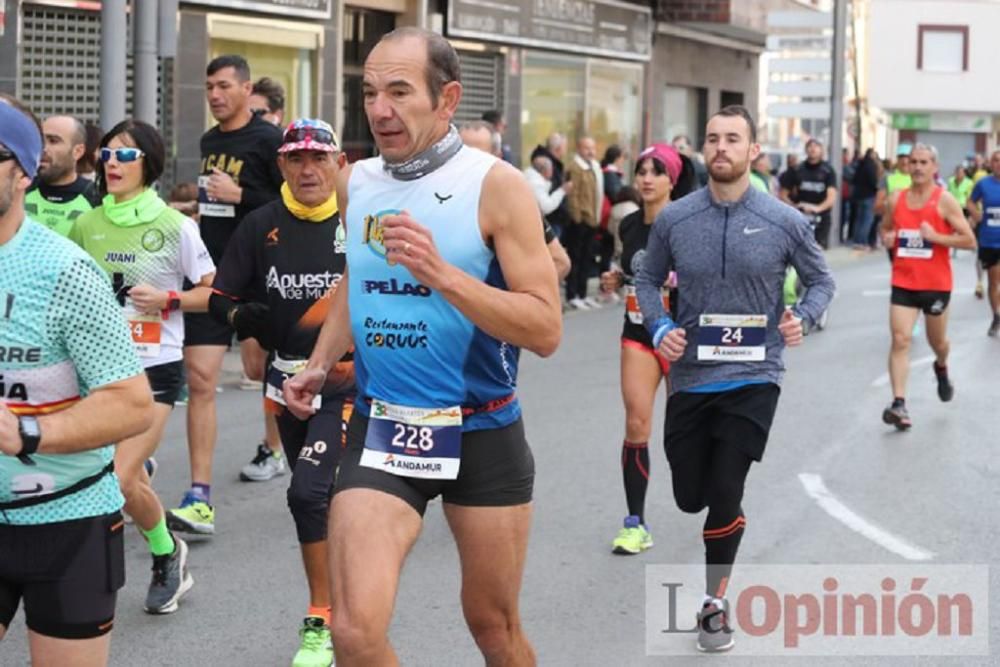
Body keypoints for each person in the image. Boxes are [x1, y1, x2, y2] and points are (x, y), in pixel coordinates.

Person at [283, 26, 561, 666]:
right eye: (370, 92)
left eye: (400, 92)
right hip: (383, 427)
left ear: (447, 98)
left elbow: (546, 328)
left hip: (481, 430)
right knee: (353, 633)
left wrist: (444, 276)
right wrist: (320, 364)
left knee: (494, 628)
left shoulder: (497, 186)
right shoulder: (356, 184)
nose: (380, 110)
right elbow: (360, 279)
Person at [635, 105, 835, 652]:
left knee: (726, 489)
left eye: (733, 139)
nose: (721, 148)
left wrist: (804, 318)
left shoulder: (784, 221)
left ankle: (714, 605)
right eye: (712, 139)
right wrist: (659, 328)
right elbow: (648, 279)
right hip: (692, 378)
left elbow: (821, 282)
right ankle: (710, 523)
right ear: (704, 150)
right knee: (689, 496)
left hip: (755, 377)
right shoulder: (676, 219)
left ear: (753, 152)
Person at [0, 95, 153, 667]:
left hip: (67, 518)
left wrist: (28, 435)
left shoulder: (62, 271)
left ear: (23, 171)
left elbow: (131, 404)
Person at [209, 119, 353, 667]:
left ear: (338, 163)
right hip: (286, 384)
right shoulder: (260, 225)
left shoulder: (357, 222)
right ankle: (345, 598)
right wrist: (243, 318)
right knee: (318, 500)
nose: (308, 168)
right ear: (283, 165)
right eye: (296, 159)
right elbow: (220, 296)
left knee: (308, 494)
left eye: (319, 158)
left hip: (351, 381)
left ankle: (321, 615)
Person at [71, 119, 216, 615]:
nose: (113, 163)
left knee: (114, 477)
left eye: (126, 156)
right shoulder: (87, 224)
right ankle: (168, 551)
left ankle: (87, 582)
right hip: (98, 371)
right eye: (108, 154)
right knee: (126, 482)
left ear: (149, 165)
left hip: (155, 369)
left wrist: (169, 298)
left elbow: (212, 294)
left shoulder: (176, 226)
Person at [170, 54, 284, 533]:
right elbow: (217, 200)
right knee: (199, 380)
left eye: (222, 86)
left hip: (258, 272)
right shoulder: (210, 140)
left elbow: (293, 202)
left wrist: (242, 197)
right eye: (208, 87)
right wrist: (195, 206)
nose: (214, 95)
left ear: (245, 88)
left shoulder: (270, 140)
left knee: (261, 369)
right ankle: (200, 495)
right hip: (213, 274)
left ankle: (277, 447)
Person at [599, 143, 694, 555]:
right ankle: (635, 523)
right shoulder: (630, 225)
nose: (646, 178)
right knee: (637, 425)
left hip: (681, 337)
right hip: (638, 332)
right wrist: (614, 280)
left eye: (656, 171)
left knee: (690, 429)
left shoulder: (689, 225)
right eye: (641, 171)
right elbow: (632, 272)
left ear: (672, 180)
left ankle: (714, 503)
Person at [878, 144, 976, 430]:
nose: (918, 167)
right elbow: (885, 228)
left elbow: (969, 240)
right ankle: (899, 404)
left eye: (924, 162)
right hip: (904, 282)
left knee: (939, 343)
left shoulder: (944, 200)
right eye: (913, 162)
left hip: (936, 285)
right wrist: (887, 237)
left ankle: (941, 366)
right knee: (900, 339)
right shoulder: (896, 200)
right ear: (907, 166)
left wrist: (936, 237)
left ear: (935, 167)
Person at [25, 115, 100, 237]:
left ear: (78, 151)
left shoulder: (97, 198)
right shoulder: (19, 190)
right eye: (41, 140)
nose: (43, 148)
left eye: (53, 141)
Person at [564, 136, 604, 310]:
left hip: (592, 219)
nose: (591, 151)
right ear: (579, 148)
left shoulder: (594, 166)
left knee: (587, 258)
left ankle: (583, 293)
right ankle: (573, 294)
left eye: (593, 148)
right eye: (587, 148)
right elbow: (574, 196)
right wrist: (578, 218)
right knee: (576, 257)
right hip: (580, 221)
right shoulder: (575, 167)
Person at [519, 156, 571, 280]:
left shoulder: (528, 178)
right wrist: (562, 191)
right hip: (534, 225)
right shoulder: (536, 183)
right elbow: (546, 206)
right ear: (545, 171)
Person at [780, 138, 837, 249]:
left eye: (816, 146)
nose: (812, 149)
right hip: (800, 216)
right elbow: (783, 194)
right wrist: (794, 207)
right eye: (809, 146)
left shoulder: (828, 171)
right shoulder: (797, 169)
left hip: (820, 217)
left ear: (821, 150)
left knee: (816, 251)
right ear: (806, 150)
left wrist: (817, 208)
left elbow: (831, 198)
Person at [969, 149, 1000, 336]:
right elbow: (971, 202)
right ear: (990, 163)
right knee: (993, 282)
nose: (999, 163)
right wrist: (975, 214)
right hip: (989, 240)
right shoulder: (983, 184)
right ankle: (996, 315)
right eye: (996, 160)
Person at [530, 133, 570, 239]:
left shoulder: (552, 162)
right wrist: (563, 190)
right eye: (565, 147)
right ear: (558, 148)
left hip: (554, 218)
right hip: (551, 219)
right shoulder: (546, 163)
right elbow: (546, 203)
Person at [851, 148, 880, 249]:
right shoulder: (871, 165)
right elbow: (873, 181)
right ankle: (863, 241)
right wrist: (877, 188)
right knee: (867, 220)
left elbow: (854, 179)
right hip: (869, 195)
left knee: (859, 219)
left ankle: (856, 240)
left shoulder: (860, 164)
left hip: (859, 196)